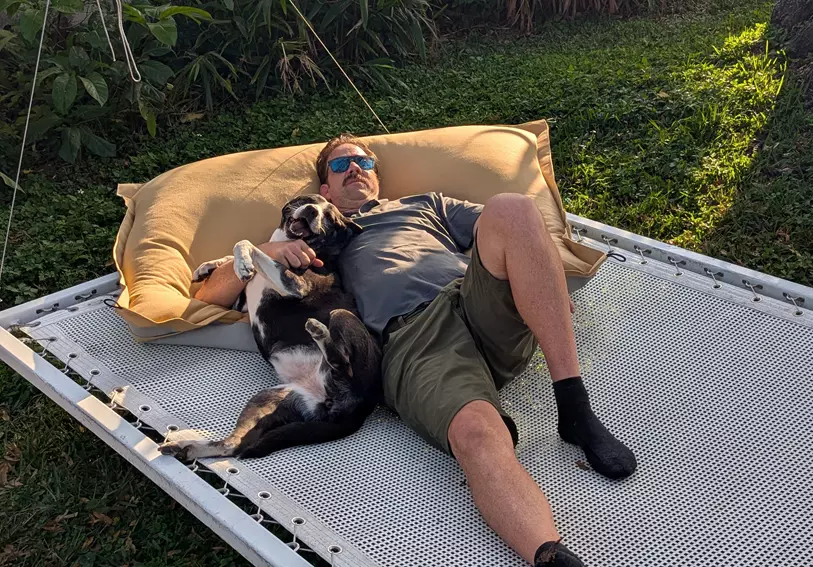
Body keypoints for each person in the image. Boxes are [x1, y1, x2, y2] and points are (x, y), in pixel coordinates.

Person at [195, 134, 637, 566]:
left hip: (478, 301)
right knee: (476, 434)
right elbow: (211, 295)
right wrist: (272, 248)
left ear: (377, 178)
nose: (355, 169)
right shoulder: (317, 238)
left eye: (364, 163)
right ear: (324, 189)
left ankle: (574, 409)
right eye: (340, 164)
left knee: (513, 208)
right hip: (413, 339)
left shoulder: (427, 204)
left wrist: (541, 275)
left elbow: (516, 234)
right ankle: (549, 555)